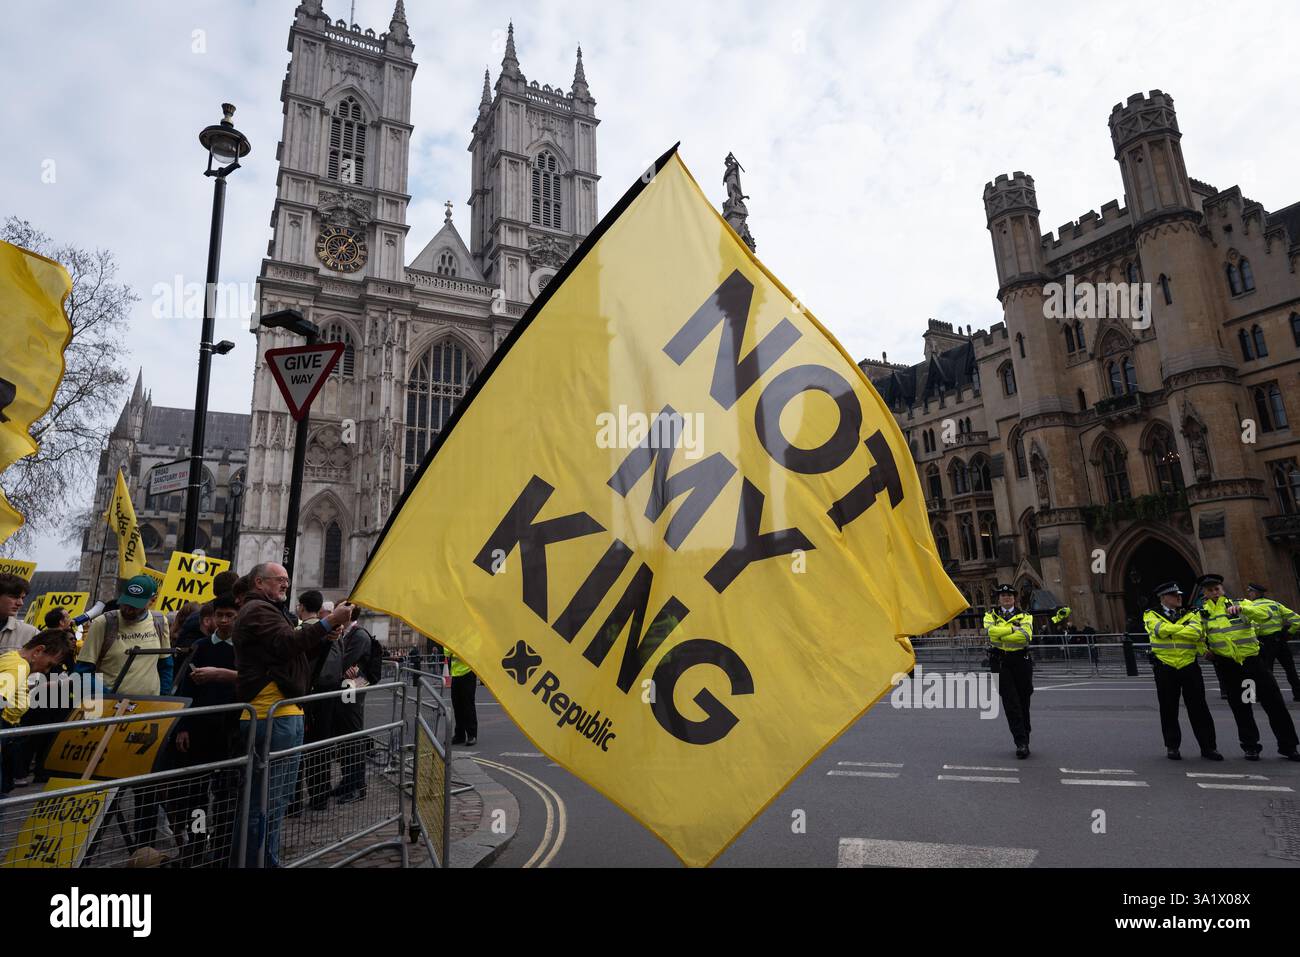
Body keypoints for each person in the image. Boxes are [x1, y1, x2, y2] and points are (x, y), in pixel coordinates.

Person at [233, 563, 352, 866]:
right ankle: (260, 861)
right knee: (267, 802)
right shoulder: (258, 610)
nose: (286, 584)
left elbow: (291, 655)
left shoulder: (270, 611)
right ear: (259, 582)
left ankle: (262, 859)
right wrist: (326, 624)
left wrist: (322, 639)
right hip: (271, 715)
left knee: (274, 800)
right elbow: (287, 645)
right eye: (280, 580)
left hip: (283, 713)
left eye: (287, 580)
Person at [1197, 573, 1300, 761]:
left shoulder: (1241, 603)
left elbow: (1265, 616)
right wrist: (1204, 650)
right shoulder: (1202, 613)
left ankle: (1288, 746)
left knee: (1274, 703)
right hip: (1230, 666)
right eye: (1210, 590)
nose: (1214, 593)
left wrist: (1244, 610)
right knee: (1243, 706)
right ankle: (1251, 746)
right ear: (1204, 593)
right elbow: (1198, 635)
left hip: (1253, 662)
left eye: (1217, 589)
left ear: (1223, 589)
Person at [172, 593, 240, 866]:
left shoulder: (243, 650)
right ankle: (198, 842)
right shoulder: (200, 646)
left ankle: (222, 847)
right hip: (200, 730)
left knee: (225, 795)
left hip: (230, 730)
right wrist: (183, 727)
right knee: (197, 794)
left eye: (229, 616)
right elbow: (186, 689)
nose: (223, 621)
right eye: (220, 615)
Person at [1143, 581, 1221, 761]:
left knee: (1199, 708)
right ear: (1163, 598)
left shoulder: (1191, 612)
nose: (1179, 597)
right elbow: (1159, 630)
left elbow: (1196, 633)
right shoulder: (1150, 614)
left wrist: (1174, 631)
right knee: (1168, 709)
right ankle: (1172, 746)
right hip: (1165, 666)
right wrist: (1183, 629)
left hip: (1189, 665)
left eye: (1179, 594)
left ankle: (1209, 747)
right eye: (1174, 595)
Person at [0, 630, 76, 792]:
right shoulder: (18, 667)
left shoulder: (12, 658)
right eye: (49, 664)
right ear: (38, 651)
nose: (46, 671)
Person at [74, 575, 173, 697]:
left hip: (150, 706)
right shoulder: (103, 623)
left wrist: (163, 699)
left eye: (135, 605)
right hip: (111, 709)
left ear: (152, 600)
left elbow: (165, 665)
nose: (128, 609)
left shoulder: (160, 622)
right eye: (125, 602)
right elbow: (83, 672)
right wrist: (109, 698)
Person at [984, 583, 1033, 758]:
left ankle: (1025, 735)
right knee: (1010, 702)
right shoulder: (990, 615)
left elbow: (1025, 636)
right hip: (999, 662)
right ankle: (1020, 742)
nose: (1006, 598)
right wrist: (1013, 628)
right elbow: (990, 633)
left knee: (1023, 700)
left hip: (1021, 661)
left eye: (1010, 596)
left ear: (1014, 598)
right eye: (1003, 596)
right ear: (998, 599)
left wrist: (1001, 633)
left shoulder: (1025, 615)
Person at [1244, 582, 1300, 701]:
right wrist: (1289, 633)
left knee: (1266, 672)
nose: (1249, 594)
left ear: (1255, 593)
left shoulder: (1251, 607)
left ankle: (1268, 696)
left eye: (1250, 592)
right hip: (1280, 641)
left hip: (1265, 643)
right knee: (1290, 669)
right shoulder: (1276, 604)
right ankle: (1298, 694)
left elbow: (1253, 627)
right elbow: (1297, 620)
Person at [0, 573, 38, 653]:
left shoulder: (30, 633)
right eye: (14, 597)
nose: (20, 603)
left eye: (22, 598)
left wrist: (20, 666)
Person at [449, 648, 478, 747]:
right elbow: (446, 651)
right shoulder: (453, 636)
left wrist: (454, 650)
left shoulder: (471, 635)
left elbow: (474, 650)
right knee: (457, 705)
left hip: (468, 672)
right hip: (455, 674)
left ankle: (472, 734)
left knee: (468, 705)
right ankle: (459, 735)